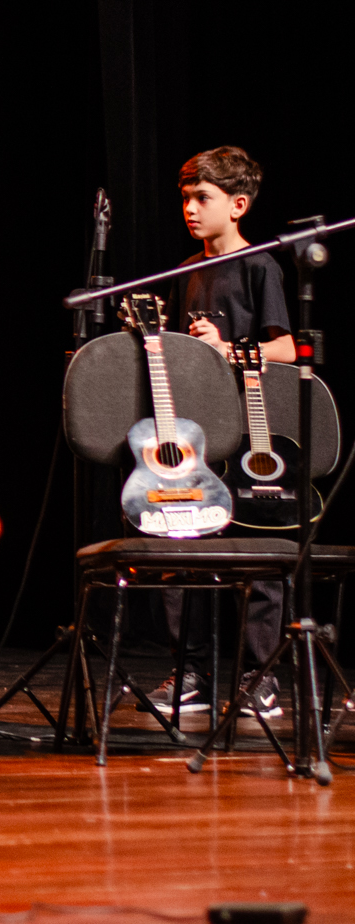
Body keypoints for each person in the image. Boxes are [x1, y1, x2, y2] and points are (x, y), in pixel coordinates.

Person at [151, 145, 293, 720]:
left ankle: (261, 676)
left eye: (202, 198)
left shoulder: (261, 265)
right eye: (185, 197)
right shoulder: (183, 270)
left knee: (257, 552)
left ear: (237, 205)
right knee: (182, 544)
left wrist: (230, 350)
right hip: (195, 429)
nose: (189, 208)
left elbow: (287, 346)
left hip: (252, 429)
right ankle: (194, 670)